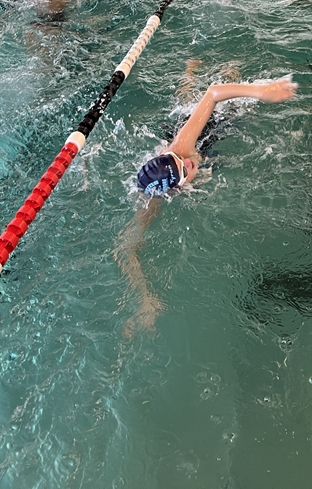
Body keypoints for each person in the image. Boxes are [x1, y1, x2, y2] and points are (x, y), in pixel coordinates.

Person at [115, 72, 297, 336]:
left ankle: (191, 72)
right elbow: (126, 248)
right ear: (175, 189)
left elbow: (213, 93)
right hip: (200, 153)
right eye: (184, 169)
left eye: (179, 159)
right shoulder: (154, 201)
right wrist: (144, 299)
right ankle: (189, 76)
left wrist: (262, 91)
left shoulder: (182, 148)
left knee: (210, 102)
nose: (188, 162)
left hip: (201, 130)